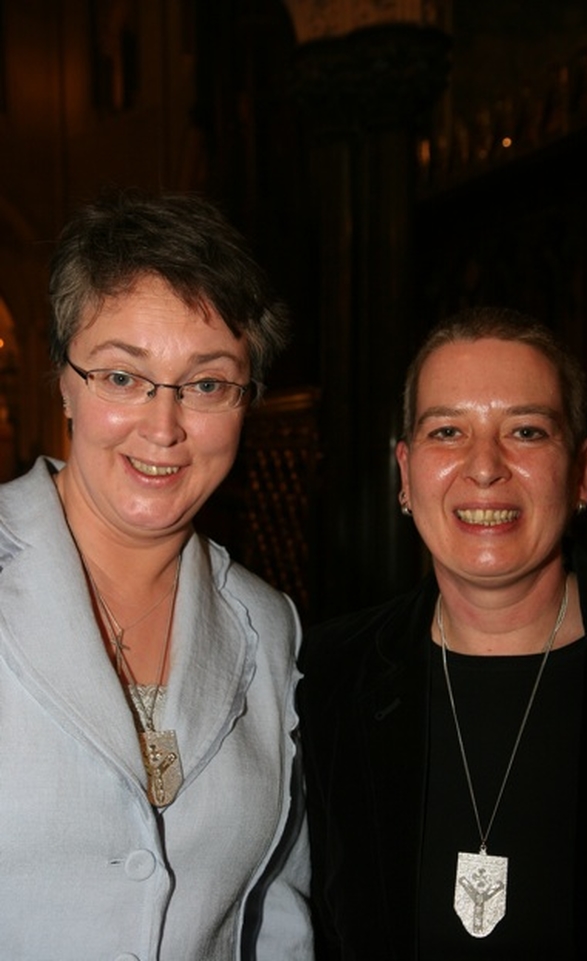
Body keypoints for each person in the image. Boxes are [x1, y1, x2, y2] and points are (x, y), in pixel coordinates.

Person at [0, 187, 312, 959]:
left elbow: (276, 912)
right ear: (65, 380)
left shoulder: (270, 626)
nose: (164, 425)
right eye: (121, 376)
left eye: (207, 384)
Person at [298, 305, 587, 960]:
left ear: (583, 472)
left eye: (528, 431)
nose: (485, 466)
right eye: (448, 431)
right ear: (405, 472)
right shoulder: (324, 677)